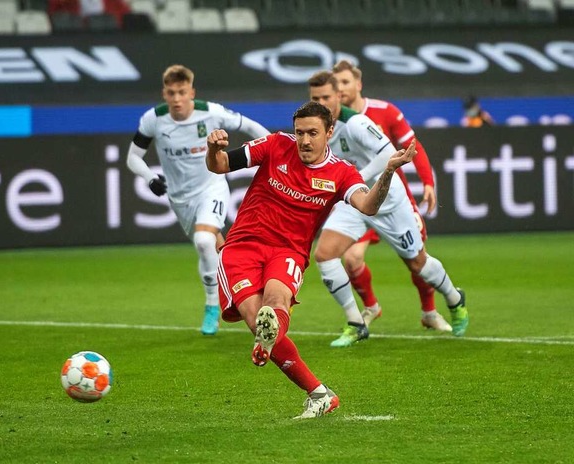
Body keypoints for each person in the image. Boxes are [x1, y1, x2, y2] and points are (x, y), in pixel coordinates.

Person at [206, 101, 417, 419]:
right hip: (242, 248)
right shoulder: (276, 144)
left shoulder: (341, 173)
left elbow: (368, 205)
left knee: (275, 300)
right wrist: (213, 148)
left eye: (313, 133)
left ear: (330, 132)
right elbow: (220, 165)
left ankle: (272, 339)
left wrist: (387, 171)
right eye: (300, 132)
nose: (304, 140)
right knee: (256, 319)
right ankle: (318, 393)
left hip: (288, 251)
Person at [308, 71, 468, 347]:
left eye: (326, 97)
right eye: (315, 98)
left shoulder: (356, 122)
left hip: (387, 200)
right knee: (324, 255)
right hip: (354, 200)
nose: (321, 102)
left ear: (338, 96)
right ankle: (356, 322)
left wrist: (356, 179)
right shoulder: (316, 126)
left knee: (418, 263)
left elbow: (388, 153)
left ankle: (454, 298)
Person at [126, 64, 269, 335]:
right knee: (216, 248)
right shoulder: (153, 119)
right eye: (171, 93)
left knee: (203, 241)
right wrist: (148, 177)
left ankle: (213, 307)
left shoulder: (210, 112)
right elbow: (133, 157)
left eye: (182, 92)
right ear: (164, 94)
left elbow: (250, 126)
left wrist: (274, 149)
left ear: (192, 91)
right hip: (180, 199)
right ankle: (240, 286)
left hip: (212, 187)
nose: (177, 99)